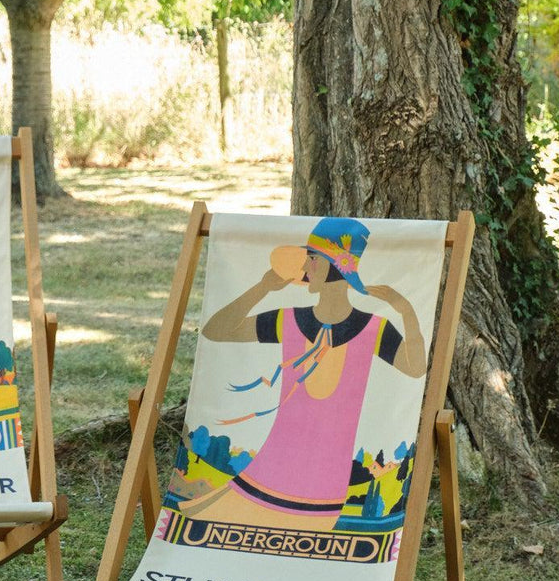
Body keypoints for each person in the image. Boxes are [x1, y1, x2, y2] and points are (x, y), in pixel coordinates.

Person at [179, 218, 425, 531]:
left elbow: (416, 368)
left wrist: (406, 312)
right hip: (270, 472)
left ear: (334, 266)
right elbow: (215, 330)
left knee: (211, 521)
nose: (304, 267)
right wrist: (263, 287)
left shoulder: (373, 328)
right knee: (201, 516)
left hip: (323, 487)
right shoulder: (291, 320)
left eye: (311, 258)